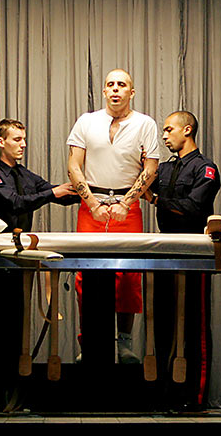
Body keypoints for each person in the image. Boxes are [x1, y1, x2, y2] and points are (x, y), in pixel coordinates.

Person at [0, 119, 77, 411]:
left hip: (20, 260)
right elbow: (15, 202)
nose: (23, 144)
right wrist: (53, 193)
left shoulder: (25, 174)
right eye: (17, 139)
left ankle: (13, 392)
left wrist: (87, 193)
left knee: (17, 327)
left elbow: (56, 193)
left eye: (24, 139)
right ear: (1, 142)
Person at [66, 68, 160, 363]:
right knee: (84, 275)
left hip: (127, 206)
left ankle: (124, 343)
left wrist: (126, 202)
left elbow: (151, 169)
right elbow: (74, 166)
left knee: (129, 275)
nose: (116, 88)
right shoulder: (86, 121)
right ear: (104, 91)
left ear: (132, 92)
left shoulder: (145, 123)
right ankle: (89, 341)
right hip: (91, 204)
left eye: (122, 84)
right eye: (111, 84)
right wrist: (92, 203)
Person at [144, 111, 220, 412]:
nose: (164, 136)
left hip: (195, 253)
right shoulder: (163, 169)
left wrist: (156, 200)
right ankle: (167, 394)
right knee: (163, 323)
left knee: (194, 325)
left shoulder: (205, 168)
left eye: (168, 130)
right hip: (166, 252)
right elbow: (139, 181)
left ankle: (196, 397)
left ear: (187, 130)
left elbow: (193, 208)